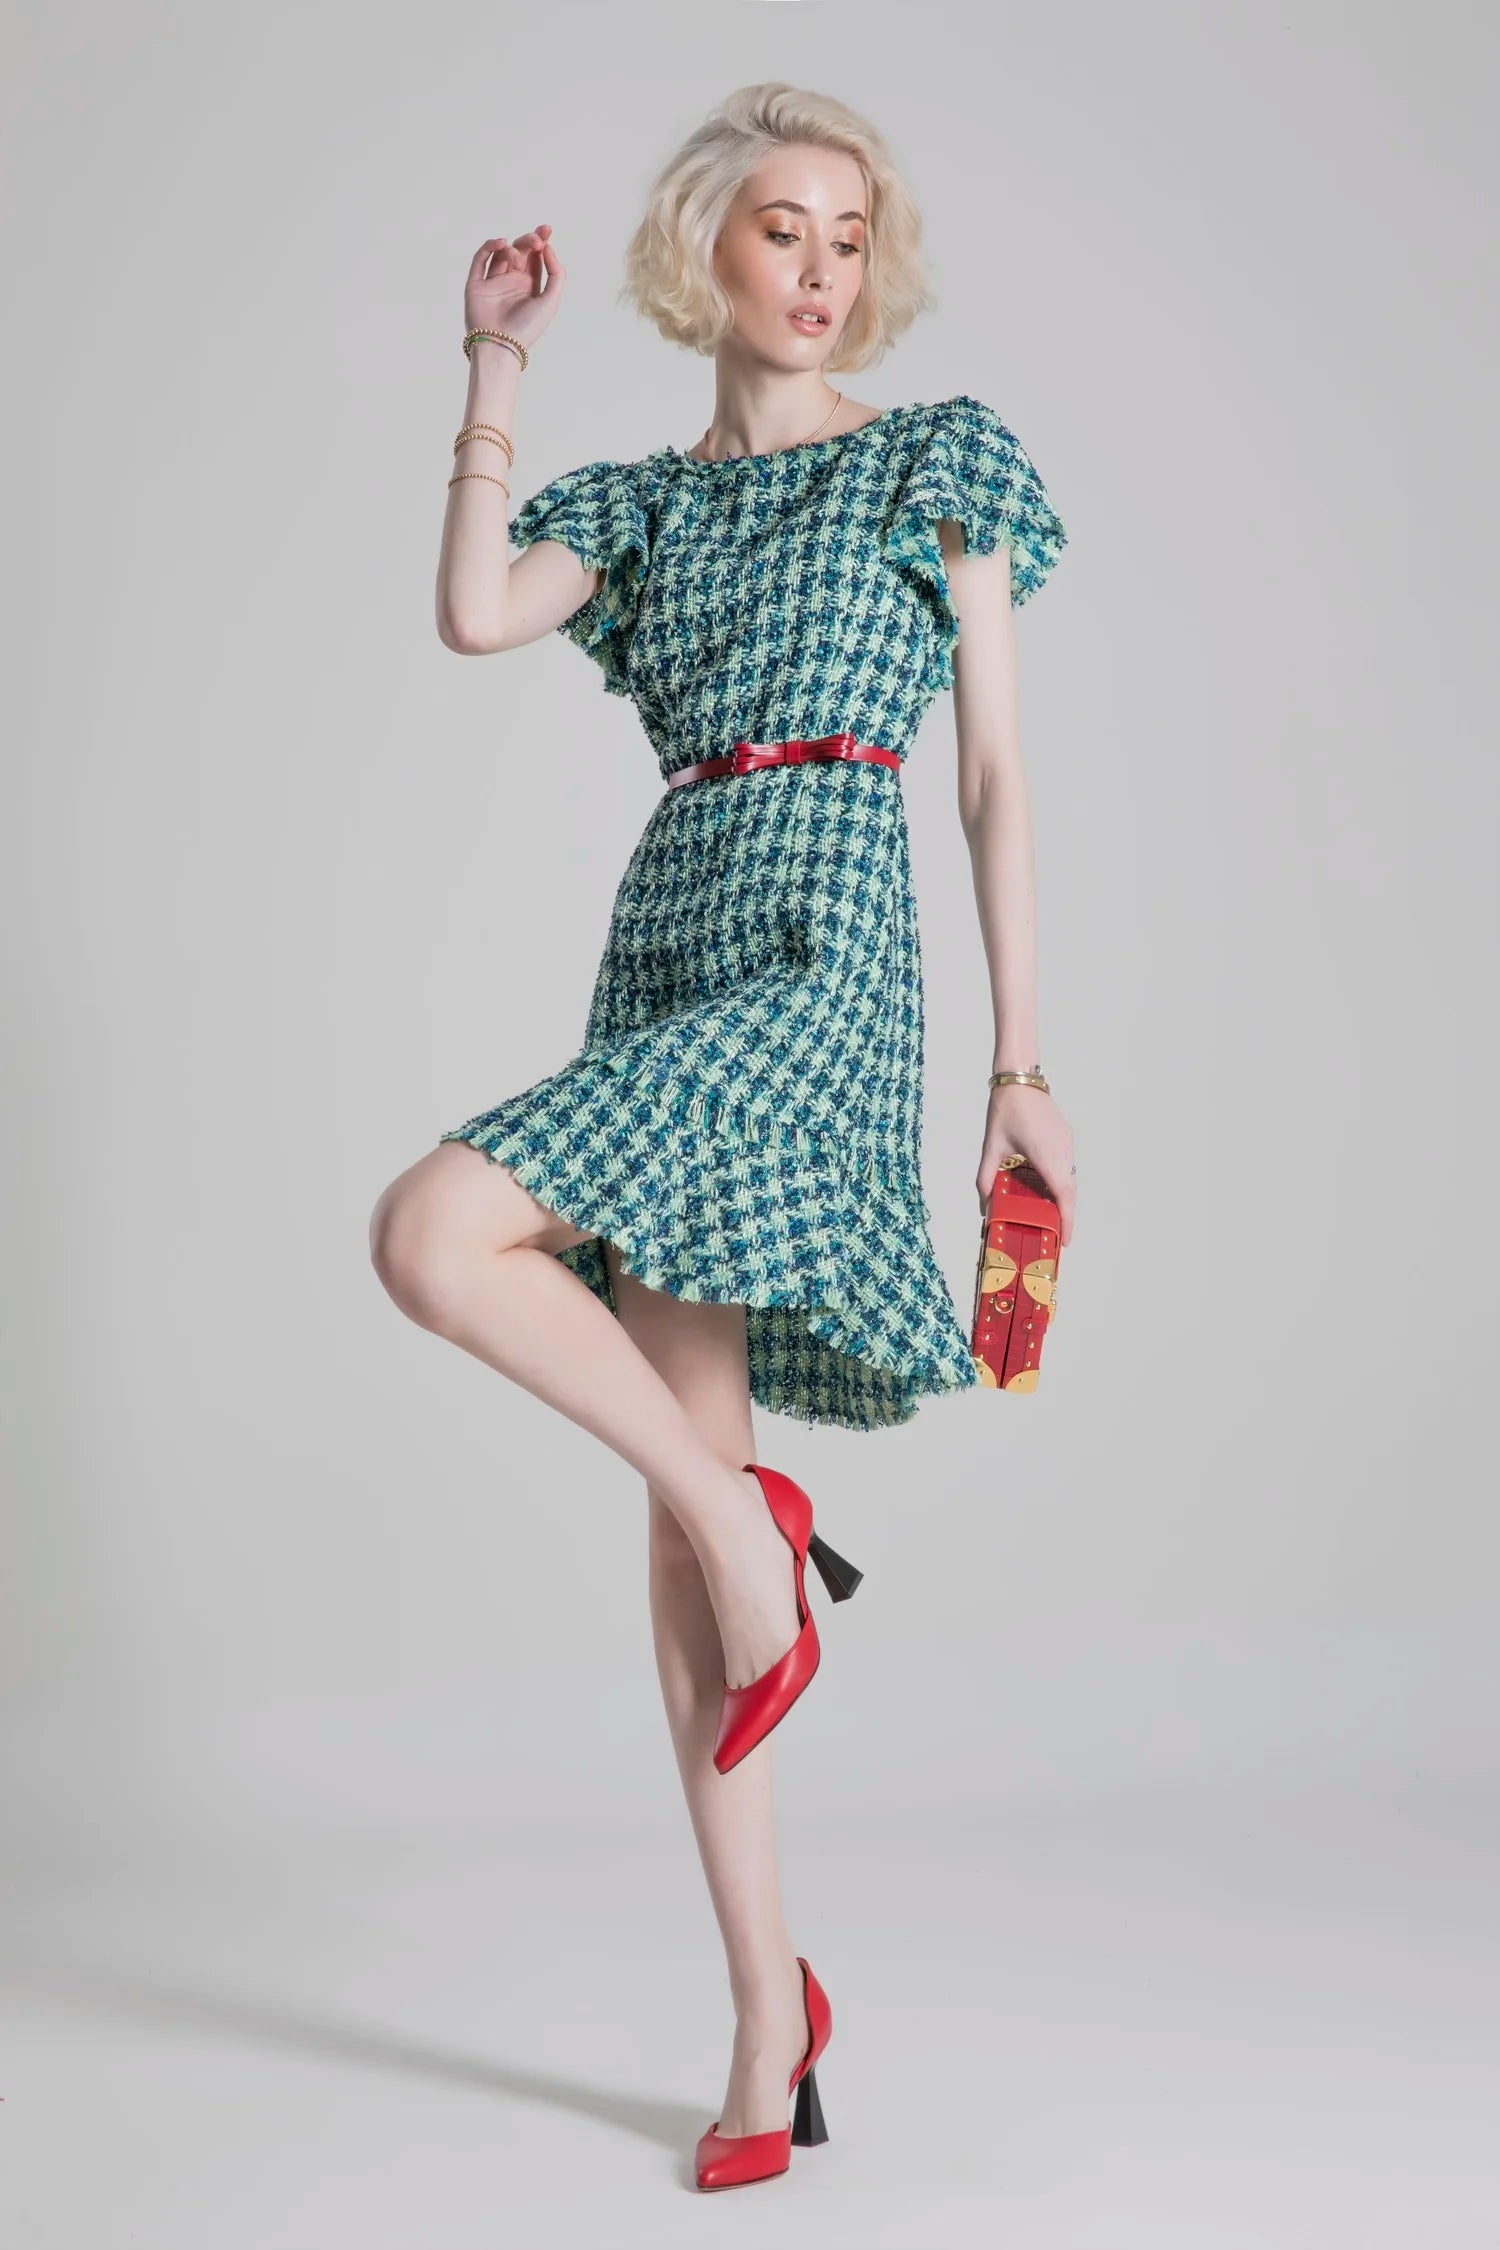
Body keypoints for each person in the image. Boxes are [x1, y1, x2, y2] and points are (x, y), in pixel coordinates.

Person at [369, 79, 1076, 2193]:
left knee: (434, 1229)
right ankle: (770, 2004)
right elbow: (478, 611)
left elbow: (993, 781)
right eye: (784, 229)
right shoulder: (649, 508)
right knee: (684, 1517)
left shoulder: (934, 465)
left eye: (850, 237)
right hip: (675, 920)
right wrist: (493, 367)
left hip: (832, 929)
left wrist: (1019, 1066)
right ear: (710, 253)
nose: (822, 269)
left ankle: (755, 1537)